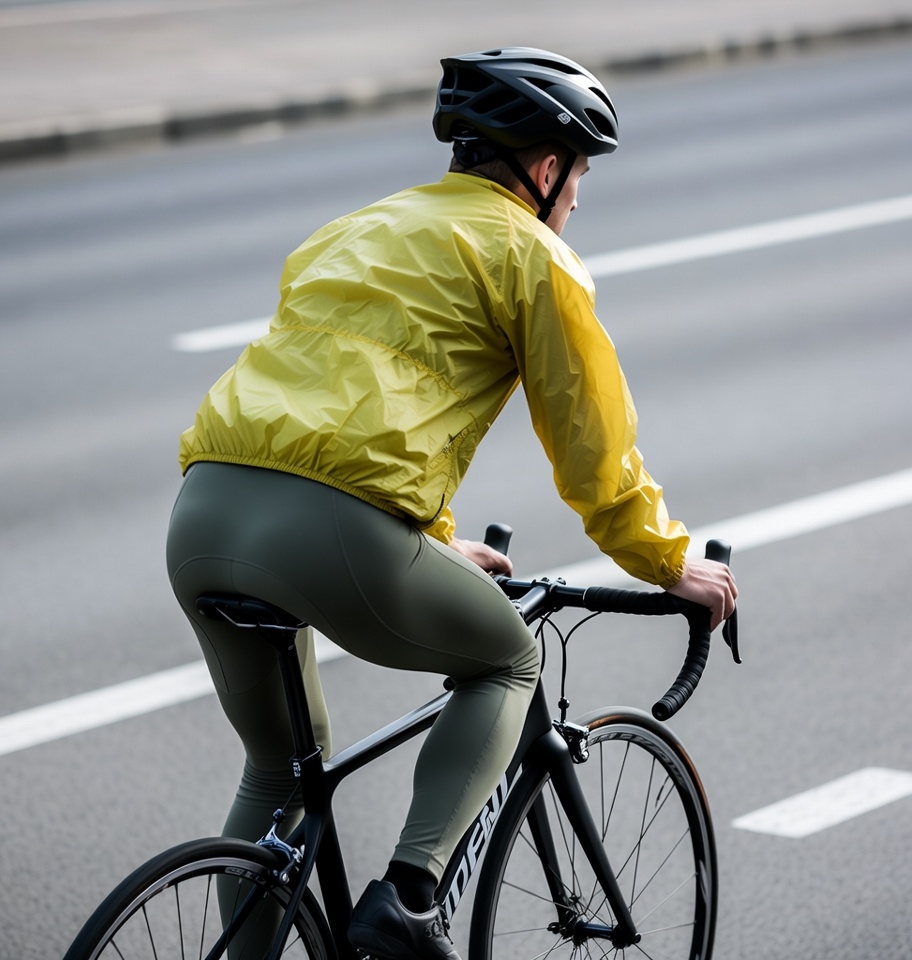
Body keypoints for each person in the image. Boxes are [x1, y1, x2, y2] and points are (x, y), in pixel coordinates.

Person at [166, 46, 737, 960]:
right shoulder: (533, 255)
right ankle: (408, 900)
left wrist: (428, 538)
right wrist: (669, 562)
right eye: (580, 176)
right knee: (508, 661)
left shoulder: (356, 228)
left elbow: (347, 394)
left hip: (202, 512)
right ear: (545, 170)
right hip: (329, 528)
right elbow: (593, 451)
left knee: (277, 771)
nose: (578, 199)